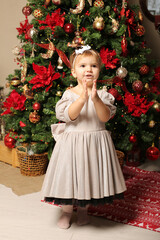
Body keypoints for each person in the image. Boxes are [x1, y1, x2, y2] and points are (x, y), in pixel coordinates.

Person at [41, 45, 126, 229]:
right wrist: (82, 98)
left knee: (90, 176)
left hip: (94, 144)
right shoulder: (70, 94)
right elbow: (69, 115)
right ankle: (66, 211)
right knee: (69, 178)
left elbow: (105, 117)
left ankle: (84, 210)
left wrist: (95, 99)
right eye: (83, 66)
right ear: (73, 72)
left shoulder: (103, 95)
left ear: (99, 70)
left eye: (93, 66)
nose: (88, 69)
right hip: (73, 144)